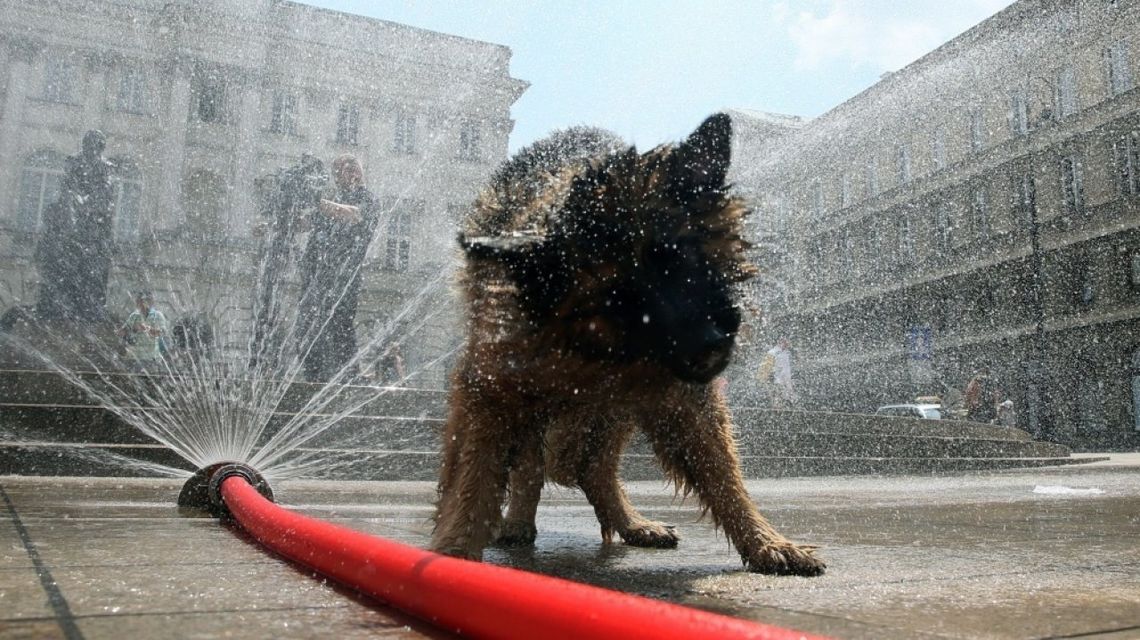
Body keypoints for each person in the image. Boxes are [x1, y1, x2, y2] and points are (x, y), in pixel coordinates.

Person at [294, 154, 380, 382]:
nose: (352, 170)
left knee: (340, 324)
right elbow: (304, 223)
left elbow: (353, 214)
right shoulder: (332, 200)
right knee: (305, 327)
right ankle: (315, 378)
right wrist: (276, 221)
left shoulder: (367, 199)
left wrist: (317, 201)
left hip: (344, 278)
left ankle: (350, 379)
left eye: (355, 166)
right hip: (316, 277)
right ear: (336, 177)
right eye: (345, 167)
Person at [249, 154, 328, 371]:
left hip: (284, 260)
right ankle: (264, 360)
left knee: (269, 310)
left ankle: (261, 360)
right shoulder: (297, 189)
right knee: (271, 309)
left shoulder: (290, 188)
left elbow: (263, 224)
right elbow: (263, 225)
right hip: (283, 259)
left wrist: (278, 224)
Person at [35, 130, 116, 323]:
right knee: (57, 232)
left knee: (96, 254)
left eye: (95, 145)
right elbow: (66, 186)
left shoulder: (106, 167)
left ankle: (89, 302)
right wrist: (75, 201)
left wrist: (89, 205)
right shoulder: (74, 162)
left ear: (100, 147)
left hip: (94, 217)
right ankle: (57, 297)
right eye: (88, 143)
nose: (91, 148)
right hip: (74, 211)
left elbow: (107, 195)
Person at [117, 291, 168, 369]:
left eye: (139, 301)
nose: (137, 303)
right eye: (137, 301)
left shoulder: (158, 315)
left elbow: (162, 333)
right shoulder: (134, 316)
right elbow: (123, 331)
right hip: (135, 357)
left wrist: (148, 329)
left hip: (152, 358)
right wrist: (126, 330)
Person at [763, 337, 798, 409]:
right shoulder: (772, 352)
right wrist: (768, 378)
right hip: (777, 379)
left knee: (789, 396)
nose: (787, 343)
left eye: (787, 341)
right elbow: (766, 368)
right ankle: (777, 407)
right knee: (778, 395)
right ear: (780, 341)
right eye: (785, 341)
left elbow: (791, 365)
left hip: (787, 379)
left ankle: (788, 407)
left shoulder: (788, 352)